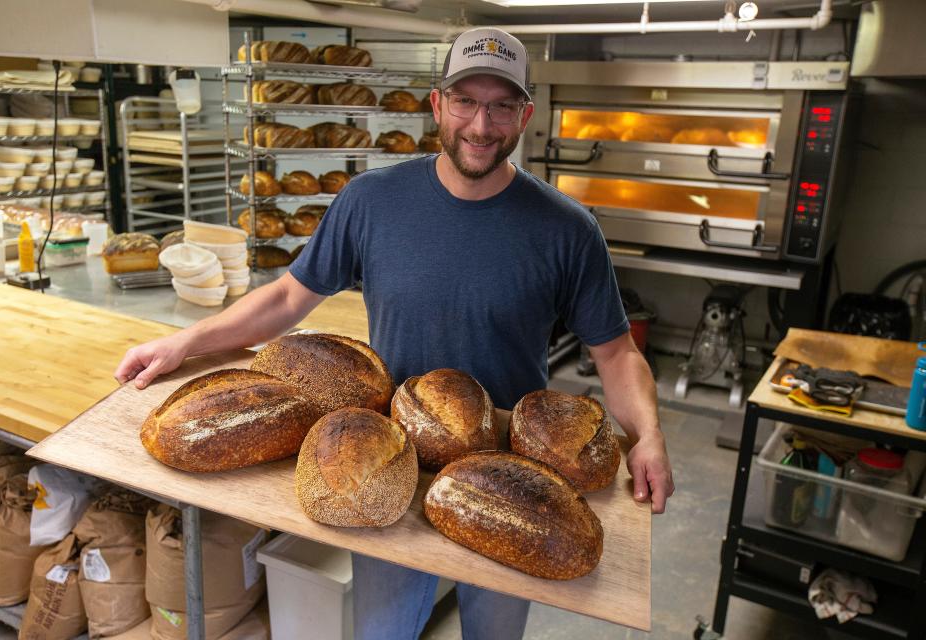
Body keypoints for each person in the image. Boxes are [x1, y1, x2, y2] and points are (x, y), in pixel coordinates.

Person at [116, 27, 673, 640]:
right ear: (438, 104)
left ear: (526, 115)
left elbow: (616, 353)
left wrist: (645, 434)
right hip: (383, 461)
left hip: (510, 475)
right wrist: (185, 343)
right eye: (465, 101)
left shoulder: (567, 229)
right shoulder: (371, 201)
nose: (481, 125)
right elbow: (286, 298)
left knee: (494, 632)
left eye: (501, 106)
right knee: (382, 631)